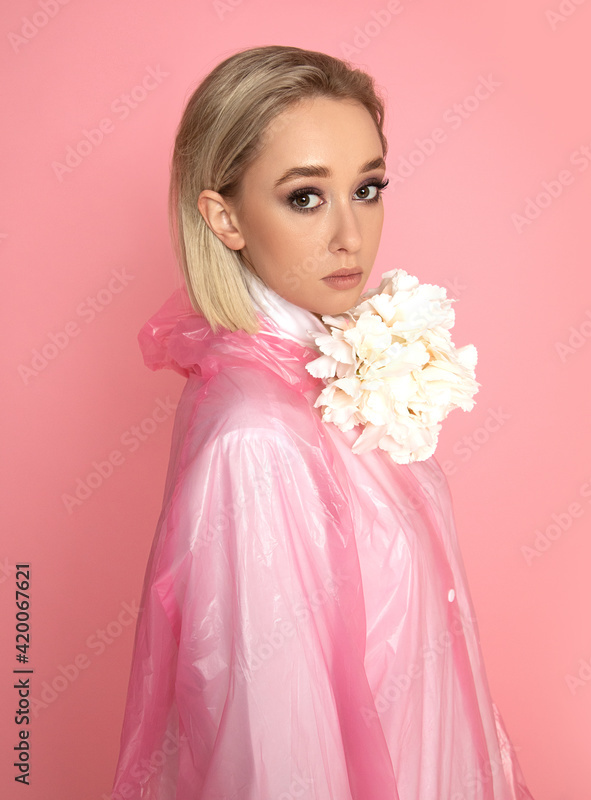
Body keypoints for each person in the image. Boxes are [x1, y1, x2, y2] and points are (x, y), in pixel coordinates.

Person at [109, 45, 535, 800]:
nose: (350, 234)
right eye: (305, 197)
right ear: (225, 217)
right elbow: (272, 754)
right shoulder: (259, 438)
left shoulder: (319, 378)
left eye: (367, 188)